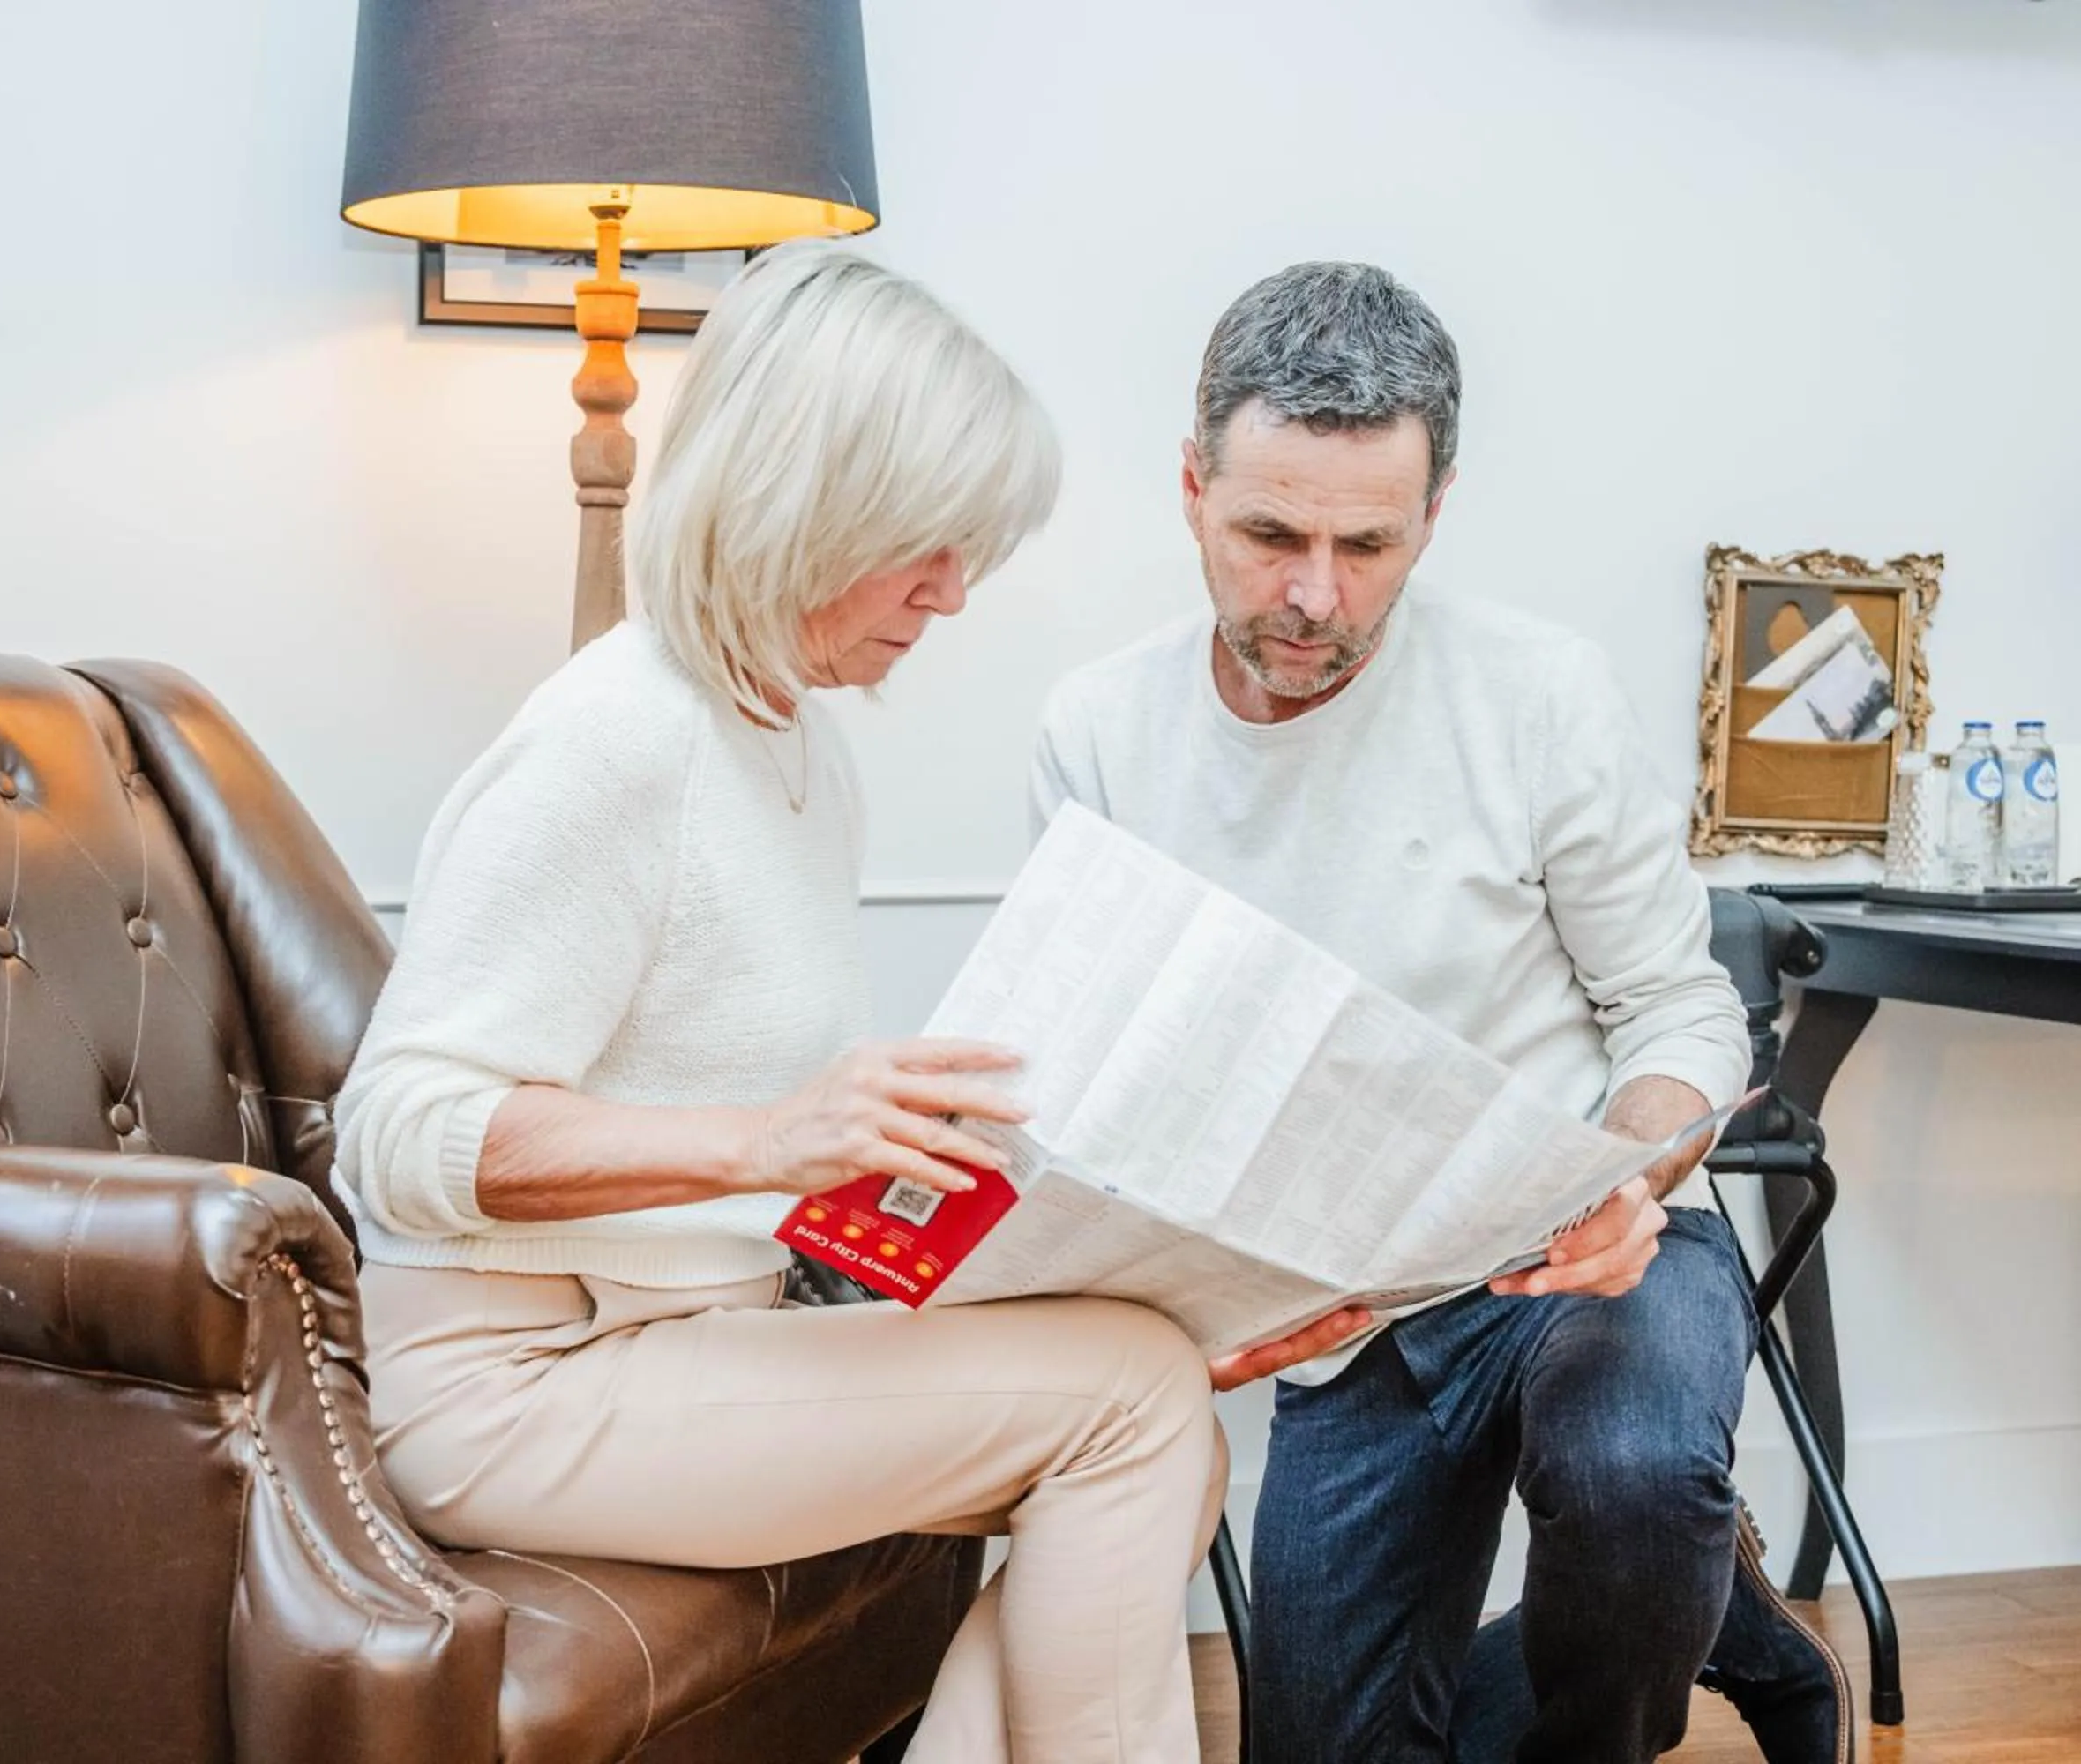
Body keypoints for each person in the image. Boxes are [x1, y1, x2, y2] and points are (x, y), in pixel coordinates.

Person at [335, 244, 1363, 1764]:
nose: (953, 592)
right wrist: (766, 1140)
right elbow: (397, 1132)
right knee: (1133, 1410)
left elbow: (772, 1160)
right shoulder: (616, 739)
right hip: (516, 1385)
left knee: (1160, 1418)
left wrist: (1136, 1272)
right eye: (922, 544)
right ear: (799, 503)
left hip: (682, 1338)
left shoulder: (796, 750)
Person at [1032, 262, 1842, 1762]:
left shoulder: (1538, 694)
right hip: (1347, 1310)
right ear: (1193, 488)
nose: (1314, 596)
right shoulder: (1098, 734)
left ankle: (1662, 1569)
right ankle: (1701, 1602)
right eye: (1270, 535)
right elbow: (1102, 1079)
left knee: (1634, 1476)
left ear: (1435, 512)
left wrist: (1631, 1166)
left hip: (1587, 1248)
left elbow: (1676, 1005)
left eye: (1368, 545)